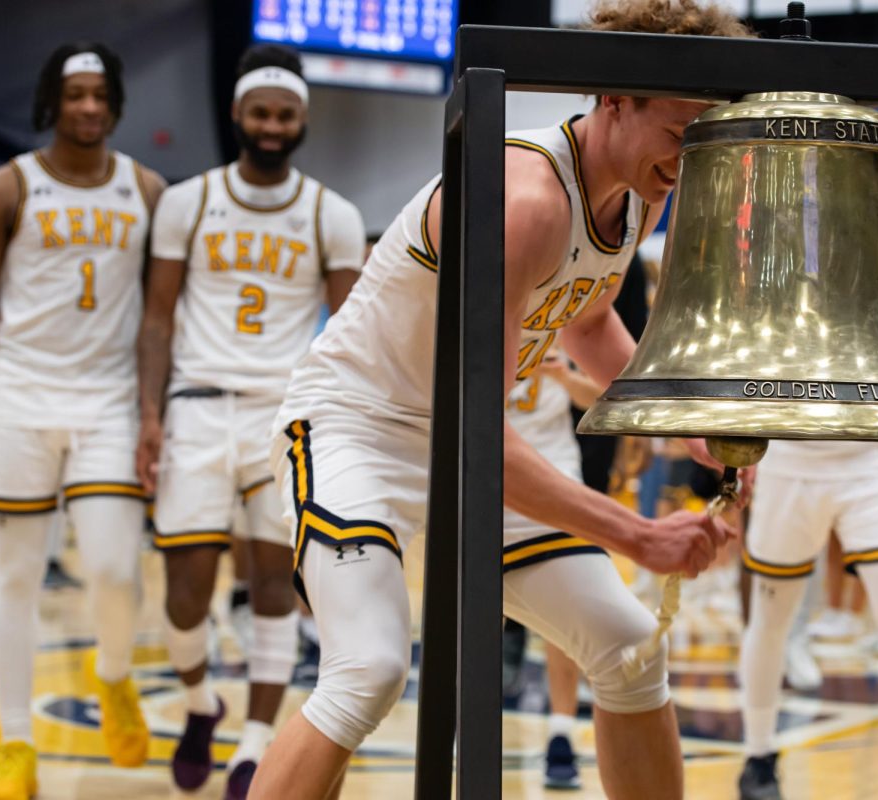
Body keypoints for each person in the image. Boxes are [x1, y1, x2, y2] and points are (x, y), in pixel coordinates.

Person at [250, 4, 751, 797]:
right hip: (361, 426)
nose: (690, 156)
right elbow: (475, 439)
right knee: (370, 668)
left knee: (628, 647)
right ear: (615, 100)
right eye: (680, 132)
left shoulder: (638, 193)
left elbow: (585, 321)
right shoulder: (526, 201)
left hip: (467, 430)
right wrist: (636, 533)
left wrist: (681, 420)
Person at [0, 42, 165, 800]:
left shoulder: (148, 189)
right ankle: (15, 746)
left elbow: (161, 319)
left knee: (114, 572)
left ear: (116, 102)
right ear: (51, 102)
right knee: (19, 574)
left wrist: (156, 411)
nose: (88, 107)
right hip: (21, 399)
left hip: (106, 404)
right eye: (75, 94)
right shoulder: (7, 187)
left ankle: (114, 675)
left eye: (100, 94)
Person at [136, 44, 365, 800]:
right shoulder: (188, 200)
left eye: (286, 114)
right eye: (261, 113)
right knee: (184, 595)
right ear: (238, 115)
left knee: (274, 584)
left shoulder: (332, 212)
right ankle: (201, 704)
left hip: (283, 416)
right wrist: (149, 414)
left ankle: (254, 747)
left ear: (303, 119)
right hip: (197, 407)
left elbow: (349, 331)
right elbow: (159, 319)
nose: (272, 126)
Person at [737, 248, 878, 800]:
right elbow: (744, 352)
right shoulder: (777, 254)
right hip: (788, 459)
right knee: (771, 619)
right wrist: (737, 452)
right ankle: (759, 755)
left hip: (875, 460)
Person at [506, 352, 607, 790]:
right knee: (474, 610)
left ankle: (560, 734)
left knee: (561, 615)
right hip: (487, 470)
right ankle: (461, 726)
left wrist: (564, 376)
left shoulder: (563, 314)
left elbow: (599, 398)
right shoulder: (475, 312)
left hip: (556, 472)